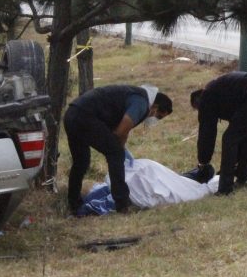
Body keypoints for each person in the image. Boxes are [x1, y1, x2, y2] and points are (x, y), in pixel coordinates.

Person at [64, 84, 172, 214]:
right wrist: (120, 150)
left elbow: (120, 130)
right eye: (159, 116)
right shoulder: (141, 103)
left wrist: (121, 146)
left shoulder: (134, 95)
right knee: (115, 154)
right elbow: (121, 130)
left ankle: (74, 204)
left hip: (72, 114)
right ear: (155, 107)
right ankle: (122, 204)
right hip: (85, 117)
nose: (156, 119)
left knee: (81, 162)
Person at [187, 71, 247, 195]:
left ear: (198, 103)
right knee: (246, 134)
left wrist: (203, 162)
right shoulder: (222, 93)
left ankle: (225, 189)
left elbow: (207, 133)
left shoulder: (207, 97)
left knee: (230, 138)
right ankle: (242, 179)